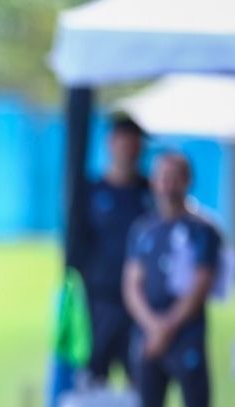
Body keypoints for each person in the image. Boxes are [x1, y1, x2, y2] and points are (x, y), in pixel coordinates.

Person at [104, 152, 224, 407]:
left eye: (174, 177)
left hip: (185, 339)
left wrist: (167, 327)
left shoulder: (204, 229)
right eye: (162, 177)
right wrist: (151, 325)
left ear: (187, 181)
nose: (167, 184)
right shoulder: (145, 228)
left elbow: (201, 285)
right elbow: (132, 283)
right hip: (149, 339)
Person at [72, 114, 152, 383]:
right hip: (99, 301)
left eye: (135, 143)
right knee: (93, 378)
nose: (129, 149)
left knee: (141, 379)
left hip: (142, 304)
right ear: (111, 143)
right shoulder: (91, 192)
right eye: (124, 141)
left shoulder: (150, 193)